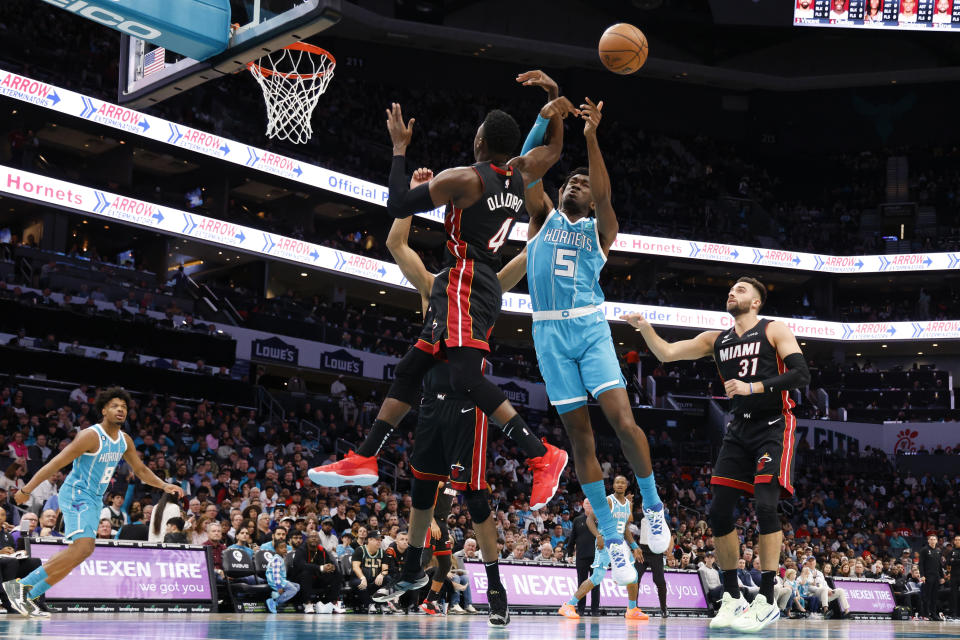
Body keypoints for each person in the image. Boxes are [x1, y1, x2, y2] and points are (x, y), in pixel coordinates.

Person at [308, 71, 578, 511]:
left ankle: (542, 454)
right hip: (475, 282)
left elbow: (398, 204)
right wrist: (553, 99)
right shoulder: (523, 170)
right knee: (410, 368)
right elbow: (555, 148)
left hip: (466, 279)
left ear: (479, 142)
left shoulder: (465, 179)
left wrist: (398, 150)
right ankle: (365, 456)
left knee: (467, 378)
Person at [351, 182, 536, 626]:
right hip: (430, 401)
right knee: (419, 492)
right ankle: (413, 571)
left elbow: (527, 257)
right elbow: (396, 241)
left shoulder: (484, 283)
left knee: (476, 501)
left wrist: (539, 208)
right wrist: (414, 195)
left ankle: (494, 588)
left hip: (469, 400)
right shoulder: (433, 286)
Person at [525, 93, 670, 586]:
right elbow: (527, 171)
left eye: (582, 182)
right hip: (548, 333)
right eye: (571, 179)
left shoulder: (599, 230)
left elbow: (606, 198)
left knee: (623, 422)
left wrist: (590, 138)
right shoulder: (542, 219)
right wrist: (545, 116)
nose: (576, 183)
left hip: (589, 330)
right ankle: (611, 536)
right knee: (581, 439)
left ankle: (652, 506)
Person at [623, 276, 810, 632]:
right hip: (738, 428)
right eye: (731, 289)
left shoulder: (774, 329)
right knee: (719, 512)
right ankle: (731, 597)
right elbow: (666, 353)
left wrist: (754, 386)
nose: (732, 292)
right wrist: (645, 328)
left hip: (773, 425)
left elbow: (802, 374)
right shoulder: (717, 340)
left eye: (741, 290)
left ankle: (767, 599)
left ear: (756, 302)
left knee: (765, 505)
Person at [3, 387, 184, 618]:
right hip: (77, 494)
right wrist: (26, 490)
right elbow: (55, 463)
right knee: (84, 547)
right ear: (104, 410)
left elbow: (140, 470)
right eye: (115, 406)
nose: (121, 410)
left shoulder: (125, 440)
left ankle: (33, 594)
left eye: (124, 407)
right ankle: (21, 586)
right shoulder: (90, 435)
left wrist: (164, 485)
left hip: (94, 498)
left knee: (80, 553)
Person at [557, 479, 649, 621]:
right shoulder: (608, 501)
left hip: (620, 544)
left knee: (634, 576)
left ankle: (632, 609)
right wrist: (598, 536)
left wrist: (635, 546)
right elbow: (590, 519)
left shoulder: (628, 504)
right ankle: (568, 605)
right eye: (616, 482)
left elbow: (624, 528)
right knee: (597, 577)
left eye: (622, 482)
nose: (619, 484)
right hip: (605, 542)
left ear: (626, 486)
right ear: (613, 486)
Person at [634, 503, 670, 618]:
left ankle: (664, 608)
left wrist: (669, 550)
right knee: (635, 579)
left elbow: (670, 536)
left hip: (656, 553)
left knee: (659, 581)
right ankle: (633, 608)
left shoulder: (662, 520)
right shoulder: (641, 516)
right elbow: (628, 517)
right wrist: (629, 503)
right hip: (642, 551)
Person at [565, 506, 600, 616]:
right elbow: (572, 537)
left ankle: (595, 610)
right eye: (587, 503)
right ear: (583, 505)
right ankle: (580, 609)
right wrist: (570, 553)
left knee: (596, 584)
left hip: (597, 557)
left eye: (591, 503)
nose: (589, 505)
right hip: (581, 557)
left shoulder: (600, 520)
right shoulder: (577, 520)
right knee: (581, 583)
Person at [265, 539, 299, 614]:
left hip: (281, 580)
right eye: (281, 547)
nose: (284, 549)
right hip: (275, 581)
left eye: (285, 547)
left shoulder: (280, 558)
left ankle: (278, 598)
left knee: (297, 586)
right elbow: (275, 574)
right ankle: (274, 602)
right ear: (276, 549)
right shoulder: (277, 559)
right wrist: (279, 586)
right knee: (293, 589)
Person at [919, 533, 945, 620]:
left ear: (937, 541)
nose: (933, 541)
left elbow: (940, 565)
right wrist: (922, 575)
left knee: (934, 596)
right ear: (928, 540)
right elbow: (921, 564)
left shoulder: (938, 551)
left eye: (934, 539)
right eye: (931, 539)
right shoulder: (924, 550)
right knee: (927, 596)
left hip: (936, 577)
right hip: (927, 576)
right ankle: (926, 615)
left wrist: (942, 577)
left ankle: (933, 614)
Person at [949, 535, 960, 618]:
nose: (957, 541)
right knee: (953, 595)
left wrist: (955, 560)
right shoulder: (951, 551)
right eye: (955, 540)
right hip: (954, 576)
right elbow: (948, 563)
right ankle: (954, 614)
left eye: (958, 540)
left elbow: (953, 561)